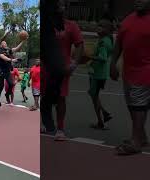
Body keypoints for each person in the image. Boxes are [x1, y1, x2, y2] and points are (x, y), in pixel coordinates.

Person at [111, 0, 150, 155]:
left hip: (145, 71)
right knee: (134, 105)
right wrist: (113, 63)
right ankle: (141, 136)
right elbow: (119, 44)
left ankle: (135, 141)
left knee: (138, 105)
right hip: (129, 72)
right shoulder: (128, 19)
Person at [42, 0, 84, 140]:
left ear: (65, 8)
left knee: (60, 97)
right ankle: (46, 124)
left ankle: (60, 129)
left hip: (61, 68)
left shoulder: (71, 26)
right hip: (46, 68)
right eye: (56, 5)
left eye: (62, 5)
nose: (59, 8)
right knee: (44, 96)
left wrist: (74, 63)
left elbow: (79, 45)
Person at [87, 19, 113, 130]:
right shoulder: (103, 39)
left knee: (93, 95)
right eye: (98, 26)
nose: (98, 28)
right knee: (93, 95)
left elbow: (102, 58)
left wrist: (88, 57)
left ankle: (102, 119)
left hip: (99, 73)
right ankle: (103, 116)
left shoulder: (104, 41)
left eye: (101, 27)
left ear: (107, 29)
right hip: (96, 72)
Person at [0, 38, 27, 106]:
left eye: (6, 43)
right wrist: (12, 60)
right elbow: (2, 56)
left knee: (12, 84)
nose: (5, 44)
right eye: (4, 43)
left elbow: (16, 49)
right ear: (1, 44)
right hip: (0, 70)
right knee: (1, 86)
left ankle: (7, 94)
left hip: (7, 70)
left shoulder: (8, 50)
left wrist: (22, 41)